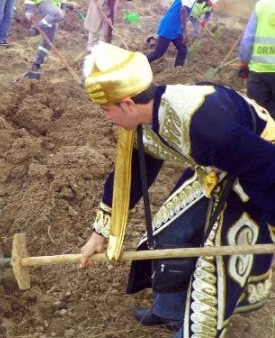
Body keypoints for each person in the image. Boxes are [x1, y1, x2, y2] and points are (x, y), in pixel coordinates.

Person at [80, 42, 275, 337]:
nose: (106, 117)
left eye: (106, 110)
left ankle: (195, 330)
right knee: (170, 231)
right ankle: (169, 310)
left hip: (256, 166)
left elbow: (266, 169)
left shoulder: (203, 122)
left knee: (216, 267)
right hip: (216, 164)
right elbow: (131, 176)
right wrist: (100, 232)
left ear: (128, 103)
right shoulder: (143, 122)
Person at [238, 0, 275, 118]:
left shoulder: (261, 5)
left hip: (259, 72)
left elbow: (248, 39)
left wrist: (244, 62)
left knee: (258, 116)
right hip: (260, 72)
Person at [22, 0, 73, 79]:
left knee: (49, 39)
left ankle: (37, 64)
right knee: (57, 14)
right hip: (42, 2)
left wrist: (63, 6)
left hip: (54, 6)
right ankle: (36, 29)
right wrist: (29, 9)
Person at [146, 0, 196, 67]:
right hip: (169, 26)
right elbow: (183, 10)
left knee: (183, 50)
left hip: (176, 27)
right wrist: (185, 32)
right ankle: (139, 65)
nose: (205, 2)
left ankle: (178, 72)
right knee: (159, 52)